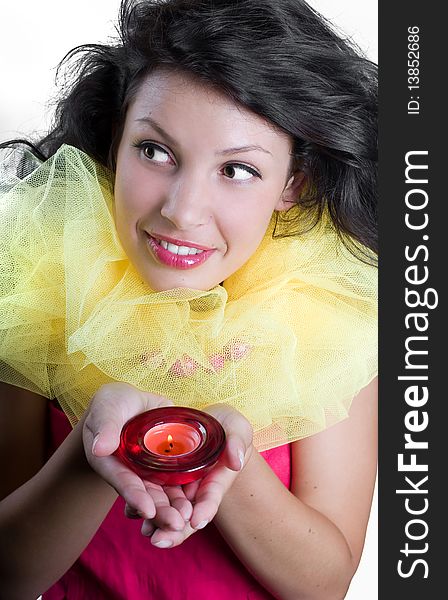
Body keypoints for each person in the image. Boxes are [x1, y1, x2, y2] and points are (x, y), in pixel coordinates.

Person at [0, 0, 378, 598]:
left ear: (293, 184)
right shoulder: (43, 289)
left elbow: (324, 585)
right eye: (154, 151)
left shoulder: (330, 315)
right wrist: (93, 450)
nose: (180, 211)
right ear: (115, 143)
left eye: (237, 170)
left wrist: (224, 458)